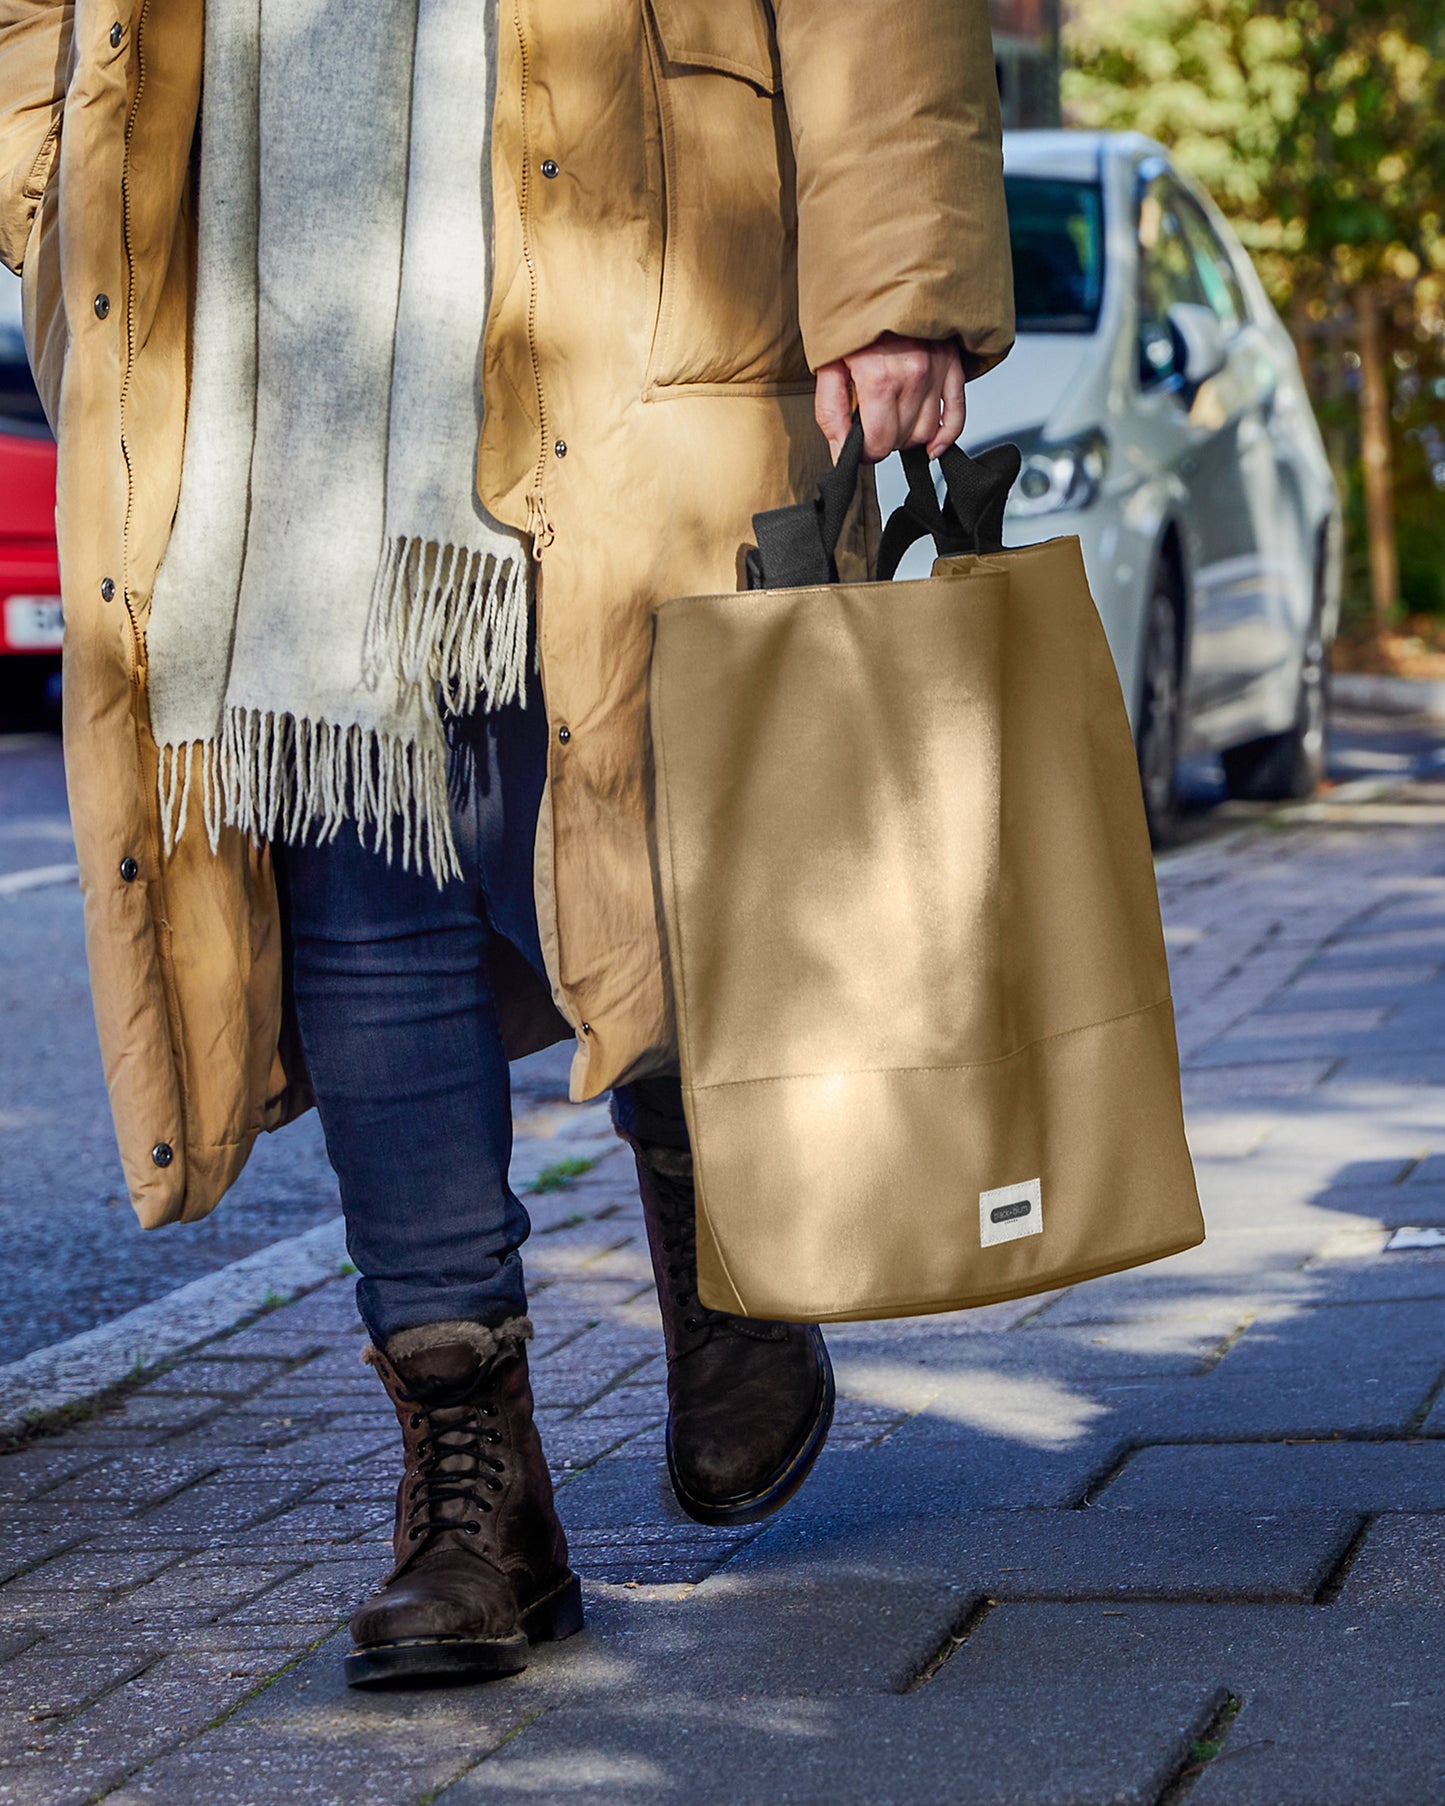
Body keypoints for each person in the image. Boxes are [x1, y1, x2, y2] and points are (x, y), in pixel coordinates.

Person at [0, 0, 1013, 1689]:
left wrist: (895, 276)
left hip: (622, 237)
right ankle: (477, 1487)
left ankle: (720, 1206)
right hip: (263, 284)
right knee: (350, 855)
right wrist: (57, 168)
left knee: (639, 788)